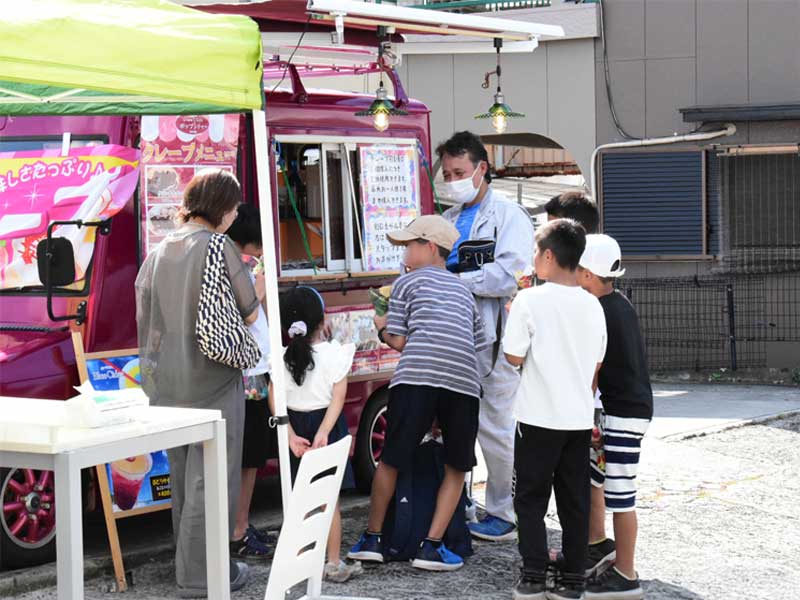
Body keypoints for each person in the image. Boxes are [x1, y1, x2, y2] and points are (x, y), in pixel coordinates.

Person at [135, 169, 261, 597]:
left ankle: (187, 567)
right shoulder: (217, 246)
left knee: (184, 477)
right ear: (223, 209)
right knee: (212, 479)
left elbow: (148, 317)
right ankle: (204, 576)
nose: (235, 216)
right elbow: (249, 311)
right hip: (212, 377)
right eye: (235, 208)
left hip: (167, 382)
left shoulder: (161, 248)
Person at [348, 215, 488, 571]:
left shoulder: (405, 285)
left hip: (416, 377)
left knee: (392, 458)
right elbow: (479, 341)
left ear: (429, 247)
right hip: (463, 382)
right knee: (457, 466)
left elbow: (400, 339)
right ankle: (433, 546)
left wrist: (380, 328)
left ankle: (373, 538)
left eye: (409, 245)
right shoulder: (465, 291)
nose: (404, 253)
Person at [503, 219, 607, 600]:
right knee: (573, 500)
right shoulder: (594, 305)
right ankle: (572, 581)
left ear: (547, 256)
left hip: (536, 417)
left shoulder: (530, 299)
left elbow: (513, 356)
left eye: (535, 252)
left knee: (529, 499)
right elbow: (596, 366)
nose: (533, 259)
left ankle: (532, 575)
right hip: (577, 419)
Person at [438, 131, 534, 541]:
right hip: (452, 338)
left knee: (495, 424)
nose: (453, 179)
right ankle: (460, 500)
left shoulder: (510, 216)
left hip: (495, 338)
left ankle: (504, 510)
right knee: (455, 423)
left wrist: (459, 282)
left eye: (460, 171)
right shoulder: (445, 219)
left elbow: (512, 273)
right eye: (446, 173)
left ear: (481, 169)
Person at [269, 286, 363, 583]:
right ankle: (333, 563)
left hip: (294, 428)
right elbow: (339, 397)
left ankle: (301, 562)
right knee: (328, 501)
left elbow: (275, 398)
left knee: (298, 499)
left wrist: (290, 435)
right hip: (327, 426)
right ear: (322, 320)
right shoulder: (335, 354)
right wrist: (323, 433)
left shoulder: (281, 357)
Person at [577, 234, 652, 600]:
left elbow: (594, 368)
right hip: (620, 409)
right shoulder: (617, 303)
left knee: (621, 494)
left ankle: (626, 572)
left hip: (622, 414)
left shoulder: (599, 311)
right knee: (597, 477)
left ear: (588, 274)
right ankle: (598, 544)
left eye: (576, 268)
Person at [225, 204, 278, 560]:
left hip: (251, 370)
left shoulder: (228, 263)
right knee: (248, 459)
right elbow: (246, 316)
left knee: (247, 458)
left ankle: (240, 523)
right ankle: (238, 530)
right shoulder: (243, 268)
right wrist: (258, 289)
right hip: (250, 373)